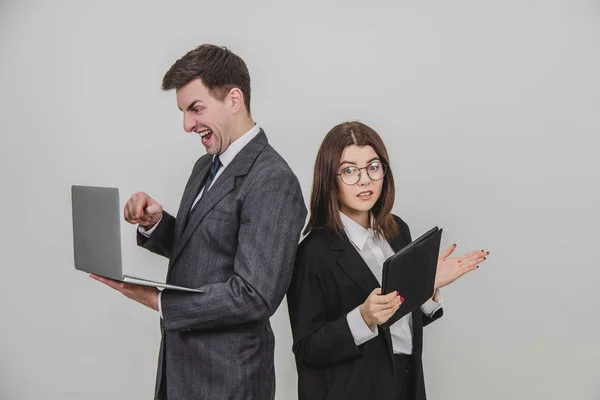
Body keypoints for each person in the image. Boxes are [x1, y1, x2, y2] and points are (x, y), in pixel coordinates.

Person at [91, 44, 307, 400]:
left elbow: (254, 295)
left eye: (196, 109)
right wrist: (156, 225)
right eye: (183, 111)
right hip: (181, 370)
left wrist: (160, 301)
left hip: (228, 380)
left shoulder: (273, 180)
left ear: (234, 98)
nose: (187, 125)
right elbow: (207, 246)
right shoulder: (205, 166)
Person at [287, 121, 489, 400]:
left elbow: (400, 324)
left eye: (373, 167)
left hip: (406, 381)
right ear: (329, 178)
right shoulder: (313, 251)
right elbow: (306, 350)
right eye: (349, 171)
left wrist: (427, 287)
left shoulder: (397, 231)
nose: (365, 180)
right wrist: (363, 317)